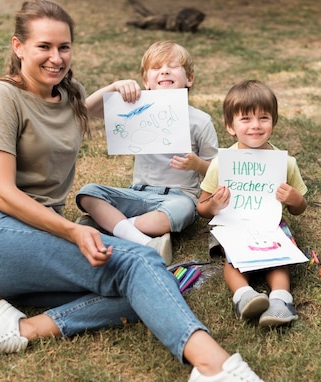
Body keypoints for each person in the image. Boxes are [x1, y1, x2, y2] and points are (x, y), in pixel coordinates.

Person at [0, 2, 301, 382]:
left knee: (151, 289)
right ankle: (215, 369)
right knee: (140, 264)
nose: (56, 57)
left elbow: (83, 110)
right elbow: (0, 193)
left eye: (64, 47)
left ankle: (21, 328)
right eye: (43, 46)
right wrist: (73, 230)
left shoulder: (66, 93)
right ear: (18, 46)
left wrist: (117, 89)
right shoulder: (3, 96)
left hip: (36, 243)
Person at [75, 40, 219, 265]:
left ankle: (115, 227)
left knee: (183, 211)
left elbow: (215, 169)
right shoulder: (135, 109)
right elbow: (88, 109)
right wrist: (114, 87)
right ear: (146, 82)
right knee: (88, 193)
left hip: (178, 197)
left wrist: (196, 164)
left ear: (189, 78)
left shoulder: (200, 121)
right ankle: (142, 239)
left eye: (173, 66)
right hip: (138, 194)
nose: (164, 70)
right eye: (156, 68)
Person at [197, 80, 308, 327]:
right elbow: (202, 207)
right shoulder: (221, 164)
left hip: (270, 225)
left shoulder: (285, 163)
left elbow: (300, 208)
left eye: (263, 118)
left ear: (274, 122)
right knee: (233, 258)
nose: (255, 125)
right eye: (245, 119)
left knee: (278, 259)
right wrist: (214, 204)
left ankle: (281, 300)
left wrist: (294, 199)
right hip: (232, 225)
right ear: (230, 126)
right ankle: (244, 296)